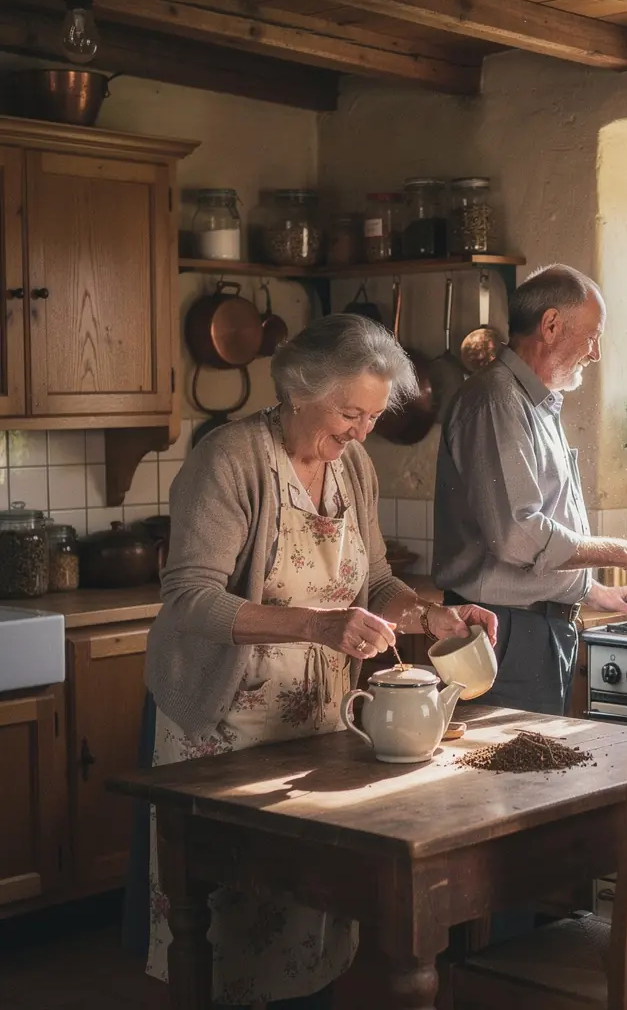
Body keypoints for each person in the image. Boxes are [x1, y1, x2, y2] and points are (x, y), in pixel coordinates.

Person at [142, 314, 497, 1009]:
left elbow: (378, 582)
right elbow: (188, 598)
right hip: (224, 734)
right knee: (227, 928)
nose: (363, 430)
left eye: (371, 414)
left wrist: (429, 617)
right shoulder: (232, 459)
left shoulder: (353, 464)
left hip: (319, 730)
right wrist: (316, 625)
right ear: (300, 391)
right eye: (349, 413)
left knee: (307, 923)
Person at [433, 264, 627, 717]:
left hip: (534, 631)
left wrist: (589, 590)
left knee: (533, 781)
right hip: (501, 635)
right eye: (592, 336)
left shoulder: (534, 403)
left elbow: (539, 534)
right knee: (504, 784)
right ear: (550, 325)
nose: (596, 352)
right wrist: (624, 553)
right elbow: (518, 535)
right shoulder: (497, 402)